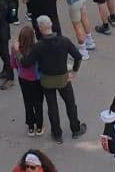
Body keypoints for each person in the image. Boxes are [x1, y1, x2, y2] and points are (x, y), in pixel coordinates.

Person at [22, 15, 86, 144]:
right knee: (70, 104)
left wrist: (19, 53)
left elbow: (27, 63)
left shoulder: (38, 46)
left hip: (46, 80)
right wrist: (74, 71)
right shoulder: (64, 41)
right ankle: (75, 128)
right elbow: (78, 56)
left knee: (52, 107)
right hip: (63, 78)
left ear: (40, 28)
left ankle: (57, 134)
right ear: (51, 25)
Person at [11, 26, 45, 136]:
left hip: (23, 78)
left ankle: (31, 127)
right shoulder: (37, 49)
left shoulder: (16, 49)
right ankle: (39, 127)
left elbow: (13, 64)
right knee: (38, 102)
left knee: (28, 101)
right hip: (36, 79)